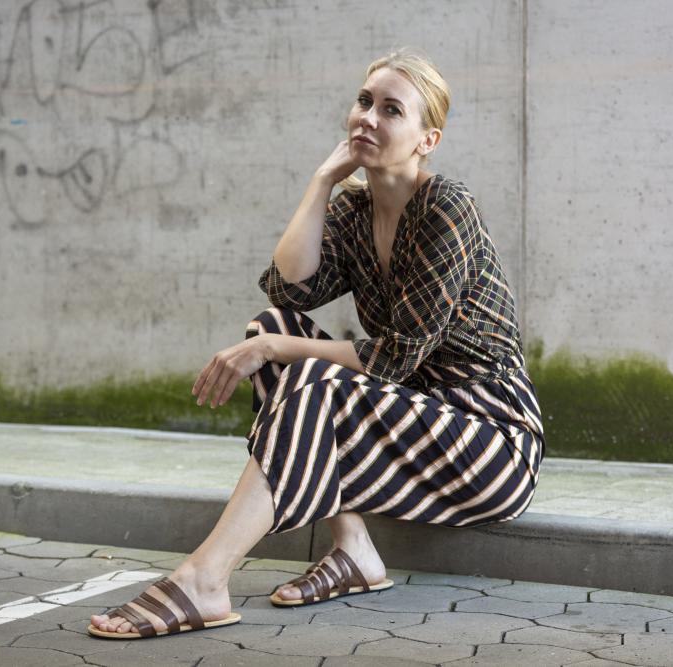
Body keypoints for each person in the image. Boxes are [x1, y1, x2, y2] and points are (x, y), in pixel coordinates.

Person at [88, 48, 545, 640]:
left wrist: (279, 351)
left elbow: (395, 357)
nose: (368, 119)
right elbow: (291, 286)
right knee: (270, 322)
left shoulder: (445, 210)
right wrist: (323, 180)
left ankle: (205, 577)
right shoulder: (356, 210)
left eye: (390, 110)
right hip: (412, 414)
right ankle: (353, 548)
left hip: (490, 439)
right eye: (363, 102)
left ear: (426, 139)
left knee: (290, 358)